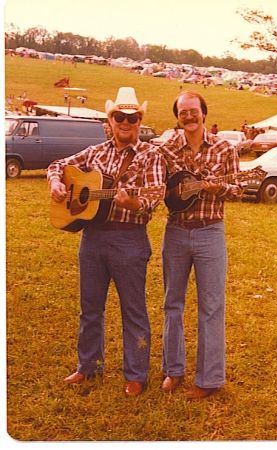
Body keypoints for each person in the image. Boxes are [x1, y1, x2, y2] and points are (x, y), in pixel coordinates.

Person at [47, 87, 166, 397]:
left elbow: (154, 196)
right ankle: (88, 367)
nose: (125, 122)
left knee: (133, 311)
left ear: (139, 120)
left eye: (132, 117)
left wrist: (133, 204)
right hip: (93, 238)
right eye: (119, 116)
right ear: (110, 120)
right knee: (90, 309)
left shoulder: (151, 154)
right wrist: (57, 183)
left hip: (129, 240)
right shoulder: (96, 152)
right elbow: (57, 165)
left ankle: (136, 374)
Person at [159, 91, 242, 400]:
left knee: (211, 306)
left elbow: (237, 189)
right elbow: (162, 190)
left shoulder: (224, 149)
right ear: (178, 117)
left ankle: (208, 380)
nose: (189, 116)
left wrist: (217, 187)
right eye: (183, 112)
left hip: (210, 232)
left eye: (194, 111)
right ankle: (173, 370)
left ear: (204, 113)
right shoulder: (167, 150)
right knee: (172, 303)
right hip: (176, 232)